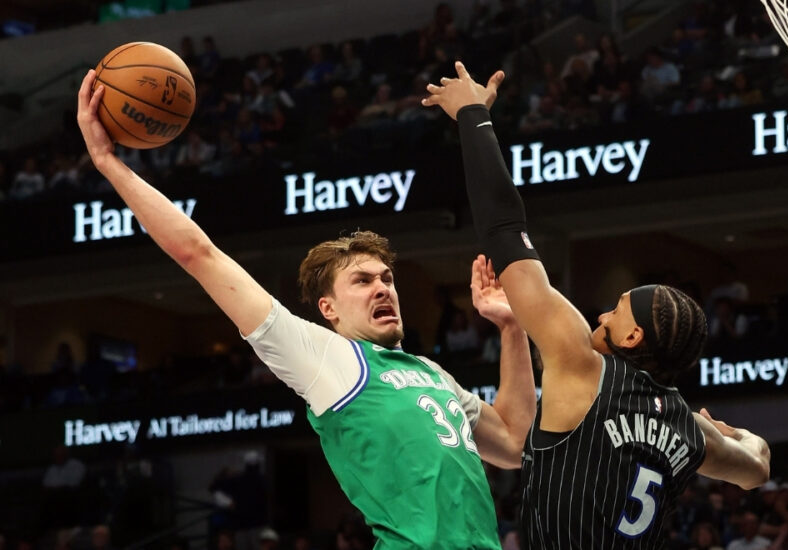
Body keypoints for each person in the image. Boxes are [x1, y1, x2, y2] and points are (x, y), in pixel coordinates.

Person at [77, 69, 536, 550]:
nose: (382, 288)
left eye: (387, 279)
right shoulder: (326, 360)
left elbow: (511, 442)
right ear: (328, 309)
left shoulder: (433, 373)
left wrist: (510, 328)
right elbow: (200, 254)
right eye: (362, 281)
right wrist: (109, 163)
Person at [423, 61, 770, 549]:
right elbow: (757, 468)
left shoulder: (583, 366)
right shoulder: (690, 432)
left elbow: (503, 228)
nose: (603, 314)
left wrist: (473, 115)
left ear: (633, 338)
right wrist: (734, 434)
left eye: (617, 309)